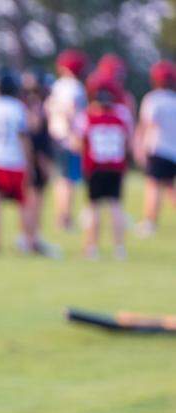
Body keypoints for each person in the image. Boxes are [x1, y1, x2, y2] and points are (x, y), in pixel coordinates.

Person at [0, 69, 52, 256]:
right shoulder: (17, 107)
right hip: (13, 160)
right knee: (25, 202)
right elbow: (24, 138)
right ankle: (29, 241)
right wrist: (29, 164)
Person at [75, 73, 133, 260]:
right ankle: (119, 249)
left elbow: (78, 143)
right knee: (115, 206)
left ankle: (91, 248)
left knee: (93, 208)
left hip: (95, 167)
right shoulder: (121, 115)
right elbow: (127, 141)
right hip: (115, 166)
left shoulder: (87, 117)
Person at [45, 49, 88, 231]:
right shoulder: (73, 86)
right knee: (67, 180)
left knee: (60, 179)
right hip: (67, 136)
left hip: (55, 134)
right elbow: (70, 111)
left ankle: (60, 217)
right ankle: (65, 219)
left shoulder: (57, 85)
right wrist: (73, 135)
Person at [134, 59, 176, 236]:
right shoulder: (174, 100)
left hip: (158, 148)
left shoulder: (153, 99)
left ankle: (150, 222)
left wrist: (139, 146)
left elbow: (148, 124)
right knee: (170, 187)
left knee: (153, 186)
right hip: (173, 150)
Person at [23, 70, 58, 255]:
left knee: (34, 201)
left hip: (32, 161)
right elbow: (36, 140)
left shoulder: (30, 106)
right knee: (34, 201)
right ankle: (31, 239)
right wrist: (42, 163)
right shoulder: (36, 109)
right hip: (36, 162)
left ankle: (31, 237)